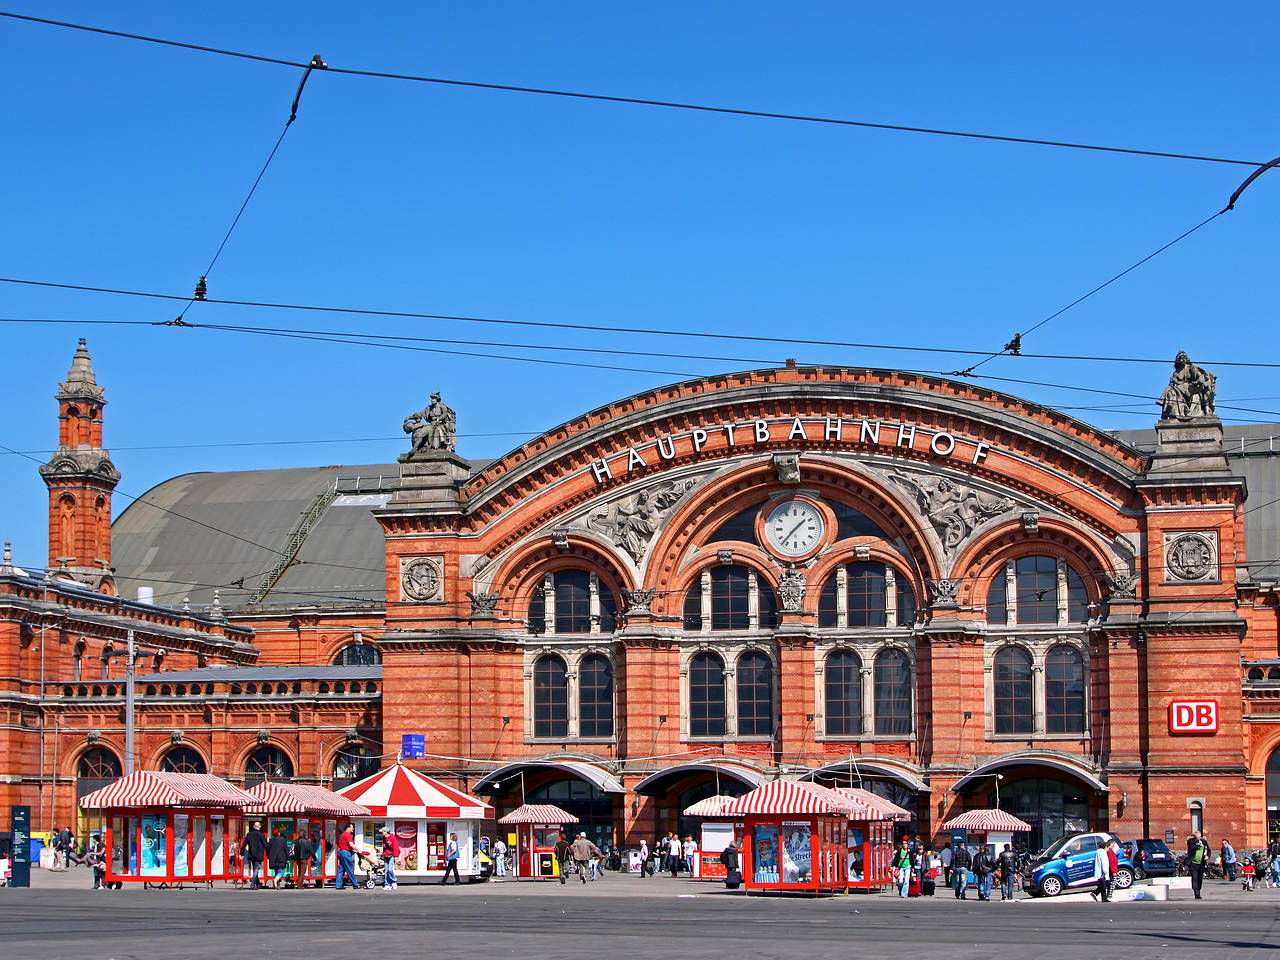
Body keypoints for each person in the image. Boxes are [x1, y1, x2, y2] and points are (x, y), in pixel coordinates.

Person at [241, 821, 267, 889]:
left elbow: (244, 844)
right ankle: (252, 884)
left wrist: (242, 853)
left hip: (251, 854)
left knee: (255, 868)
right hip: (259, 855)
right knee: (256, 869)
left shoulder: (249, 834)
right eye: (259, 826)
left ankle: (258, 884)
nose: (260, 827)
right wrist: (269, 853)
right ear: (258, 827)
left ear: (253, 827)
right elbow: (266, 845)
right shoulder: (261, 835)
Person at [334, 821, 360, 891]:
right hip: (346, 853)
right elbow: (351, 844)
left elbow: (346, 845)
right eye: (352, 827)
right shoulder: (347, 834)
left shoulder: (342, 834)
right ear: (348, 827)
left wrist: (353, 850)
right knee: (350, 869)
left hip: (341, 852)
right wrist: (359, 850)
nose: (353, 829)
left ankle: (338, 885)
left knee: (341, 869)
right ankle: (355, 884)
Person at [1186, 830, 1209, 900]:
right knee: (1195, 878)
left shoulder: (1204, 842)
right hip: (1193, 863)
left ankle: (1198, 889)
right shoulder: (1191, 841)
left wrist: (1207, 856)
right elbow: (1192, 847)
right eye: (1197, 837)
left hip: (1201, 863)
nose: (1199, 838)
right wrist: (1198, 845)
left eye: (1199, 837)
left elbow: (1208, 849)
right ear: (1194, 837)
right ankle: (1197, 893)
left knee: (1200, 879)